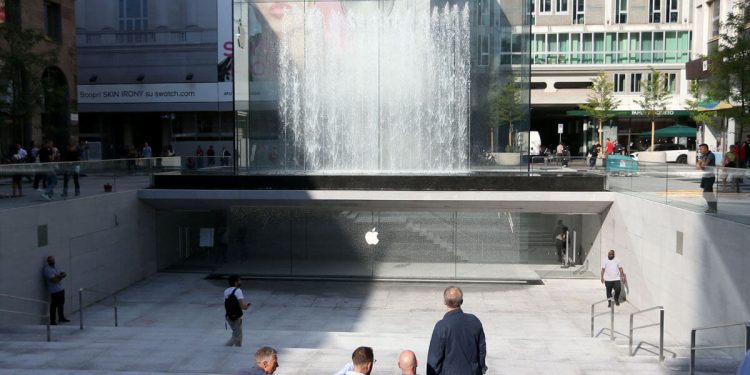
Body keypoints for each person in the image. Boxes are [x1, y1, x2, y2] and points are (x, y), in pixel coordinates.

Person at [427, 286, 487, 375]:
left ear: (444, 302)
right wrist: (481, 369)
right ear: (461, 302)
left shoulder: (441, 326)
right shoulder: (474, 321)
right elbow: (481, 350)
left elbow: (434, 360)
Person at [43, 256, 70, 325]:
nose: (52, 262)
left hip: (61, 289)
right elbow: (54, 280)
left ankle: (61, 317)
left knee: (61, 304)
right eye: (50, 260)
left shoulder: (56, 266)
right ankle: (53, 321)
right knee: (54, 306)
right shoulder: (47, 270)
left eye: (53, 260)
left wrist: (59, 276)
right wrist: (60, 276)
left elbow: (63, 273)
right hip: (54, 291)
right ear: (48, 261)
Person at [224, 275, 250, 346]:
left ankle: (238, 348)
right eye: (239, 280)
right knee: (236, 336)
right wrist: (246, 306)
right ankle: (225, 347)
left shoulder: (226, 291)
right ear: (235, 283)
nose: (240, 282)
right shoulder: (238, 291)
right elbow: (242, 306)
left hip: (229, 316)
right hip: (235, 317)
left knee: (238, 334)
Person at [697, 143, 717, 213]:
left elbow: (704, 165)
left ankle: (713, 207)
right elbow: (698, 165)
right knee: (708, 193)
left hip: (710, 177)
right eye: (699, 149)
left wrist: (700, 165)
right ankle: (712, 207)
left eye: (701, 149)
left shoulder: (711, 155)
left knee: (706, 193)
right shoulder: (703, 156)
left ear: (705, 148)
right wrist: (700, 164)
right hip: (705, 176)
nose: (700, 150)